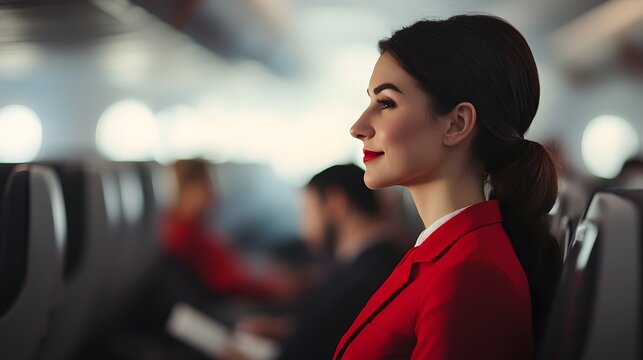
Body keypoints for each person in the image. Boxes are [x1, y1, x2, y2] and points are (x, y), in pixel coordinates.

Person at [334, 15, 562, 359]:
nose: (358, 127)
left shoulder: (470, 276)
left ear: (456, 124)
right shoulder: (442, 252)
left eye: (386, 103)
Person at [227, 164, 402, 360]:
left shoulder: (366, 277)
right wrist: (288, 329)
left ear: (336, 203)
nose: (304, 229)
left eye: (306, 212)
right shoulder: (376, 263)